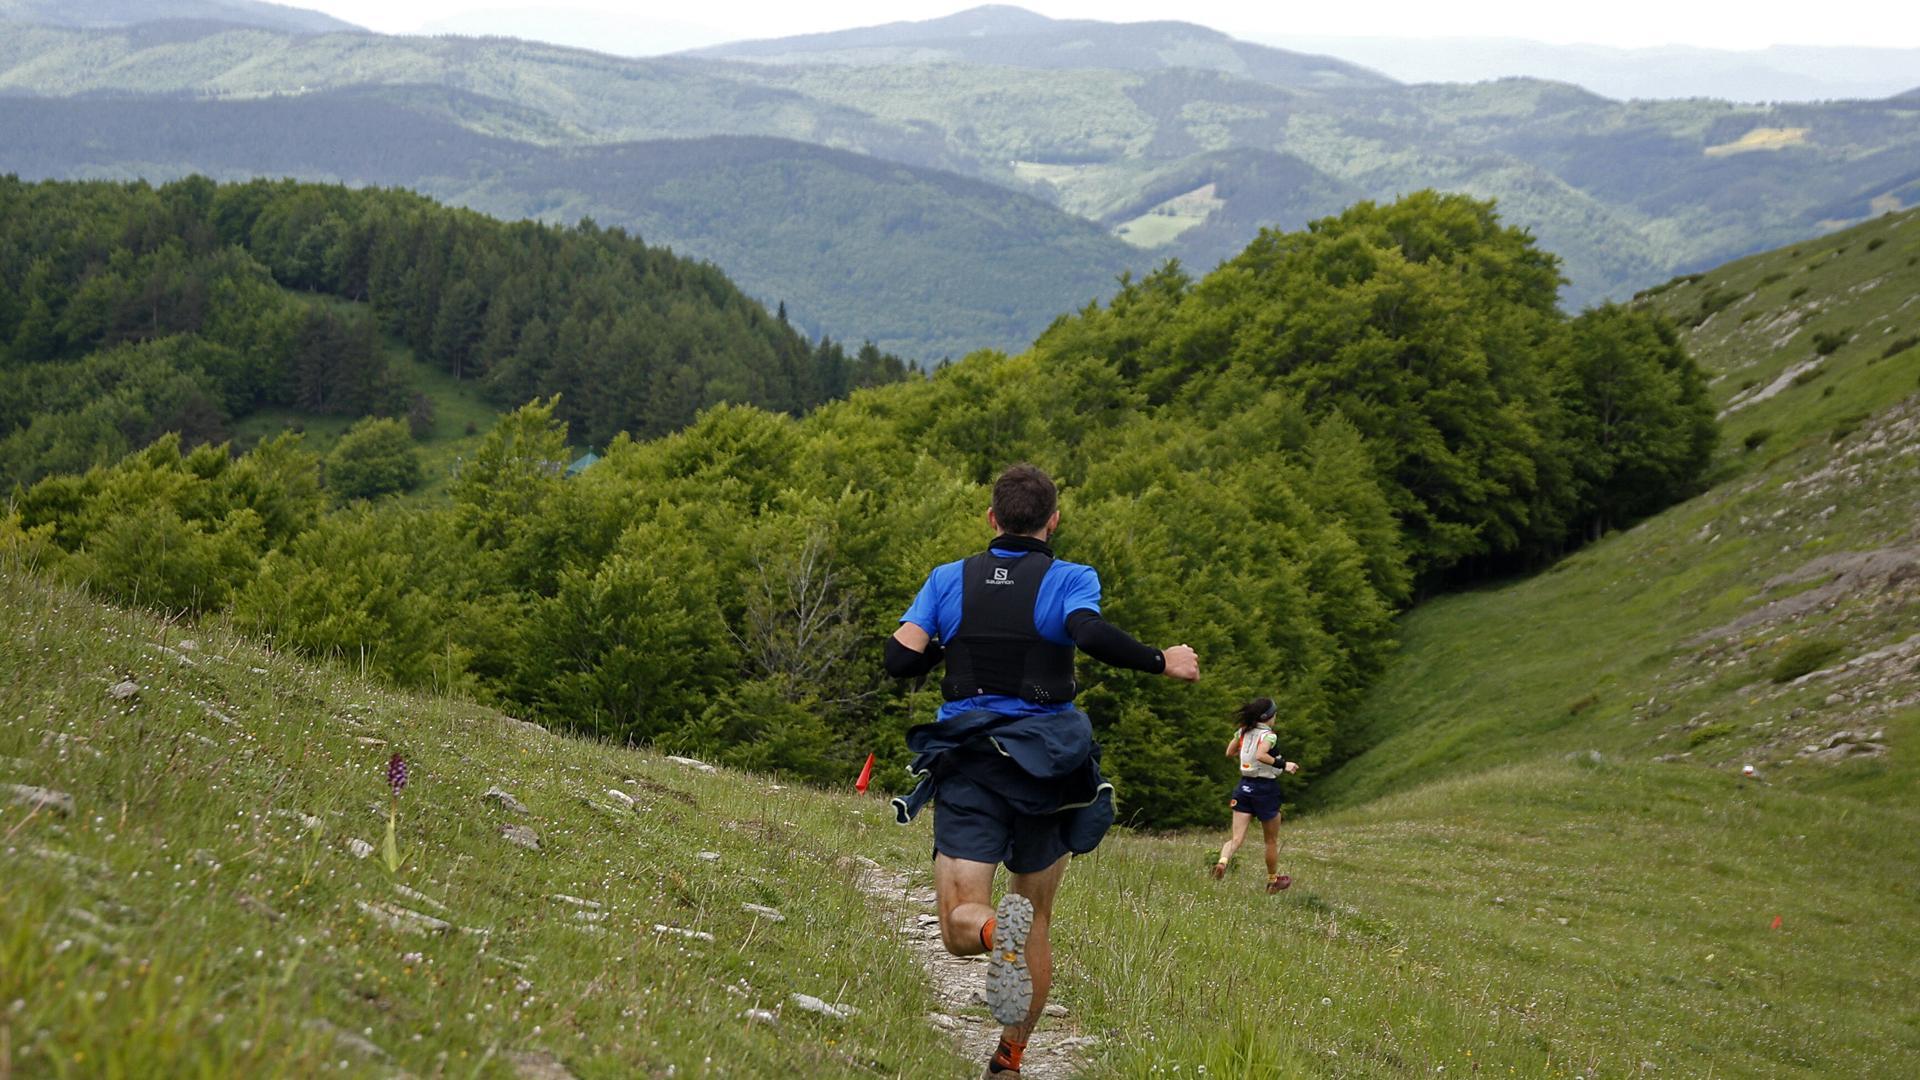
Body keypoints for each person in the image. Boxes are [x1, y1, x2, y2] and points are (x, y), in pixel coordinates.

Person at [885, 463, 1200, 1077]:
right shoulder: (1070, 578)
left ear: (992, 519)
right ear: (1052, 521)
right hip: (1051, 766)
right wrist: (1162, 661)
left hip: (973, 762)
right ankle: (1011, 1055)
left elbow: (900, 658)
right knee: (1039, 916)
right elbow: (1089, 633)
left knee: (957, 928)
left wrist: (955, 643)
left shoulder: (949, 580)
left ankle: (993, 931)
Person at [1210, 697, 1299, 893]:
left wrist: (1245, 750)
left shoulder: (1243, 731)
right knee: (1270, 841)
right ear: (1269, 717)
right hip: (1265, 789)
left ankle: (1223, 862)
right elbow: (1261, 755)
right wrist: (1285, 765)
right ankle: (1272, 881)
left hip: (1244, 787)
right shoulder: (1269, 736)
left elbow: (1229, 752)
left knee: (1236, 838)